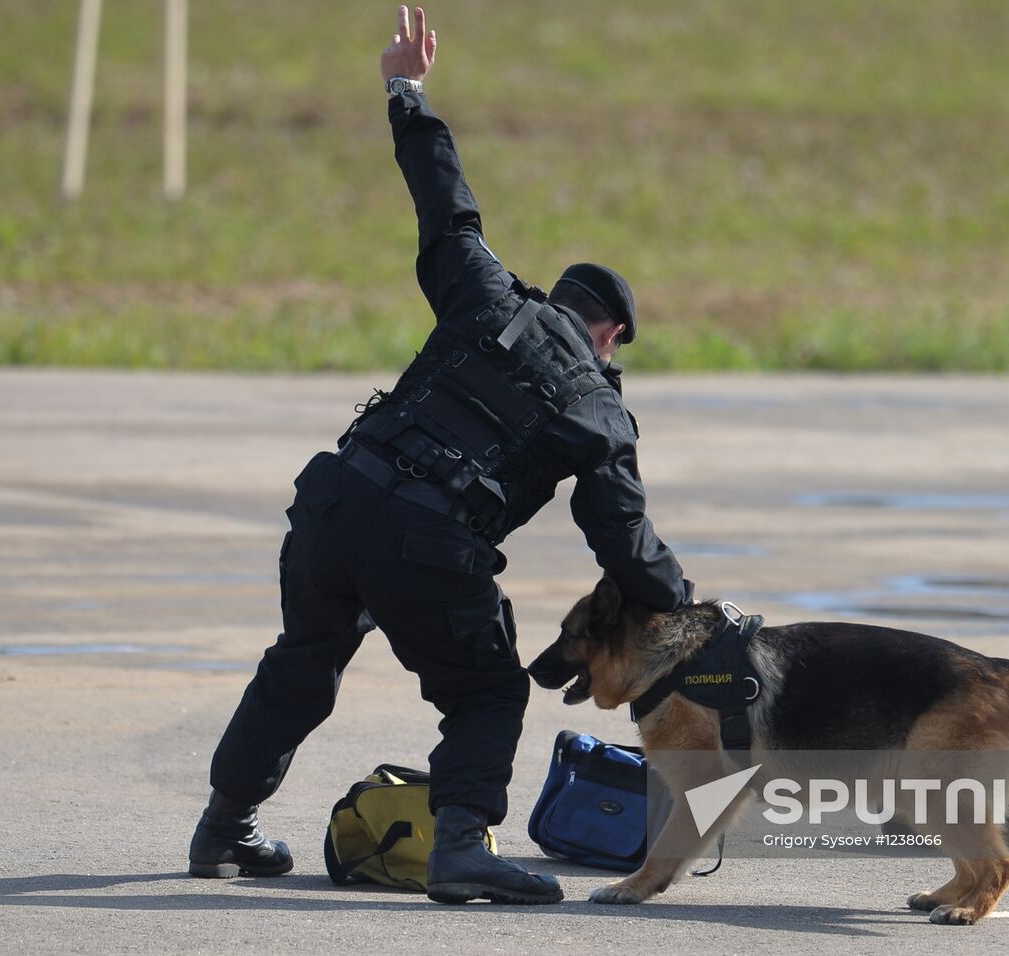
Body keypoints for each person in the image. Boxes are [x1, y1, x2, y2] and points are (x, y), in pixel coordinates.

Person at [188, 5, 692, 905]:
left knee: (304, 656)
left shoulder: (482, 290)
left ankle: (223, 831)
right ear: (611, 333)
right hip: (428, 540)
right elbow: (620, 537)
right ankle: (461, 846)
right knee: (488, 694)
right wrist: (687, 612)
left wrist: (405, 88)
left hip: (336, 505)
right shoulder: (597, 407)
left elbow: (445, 198)